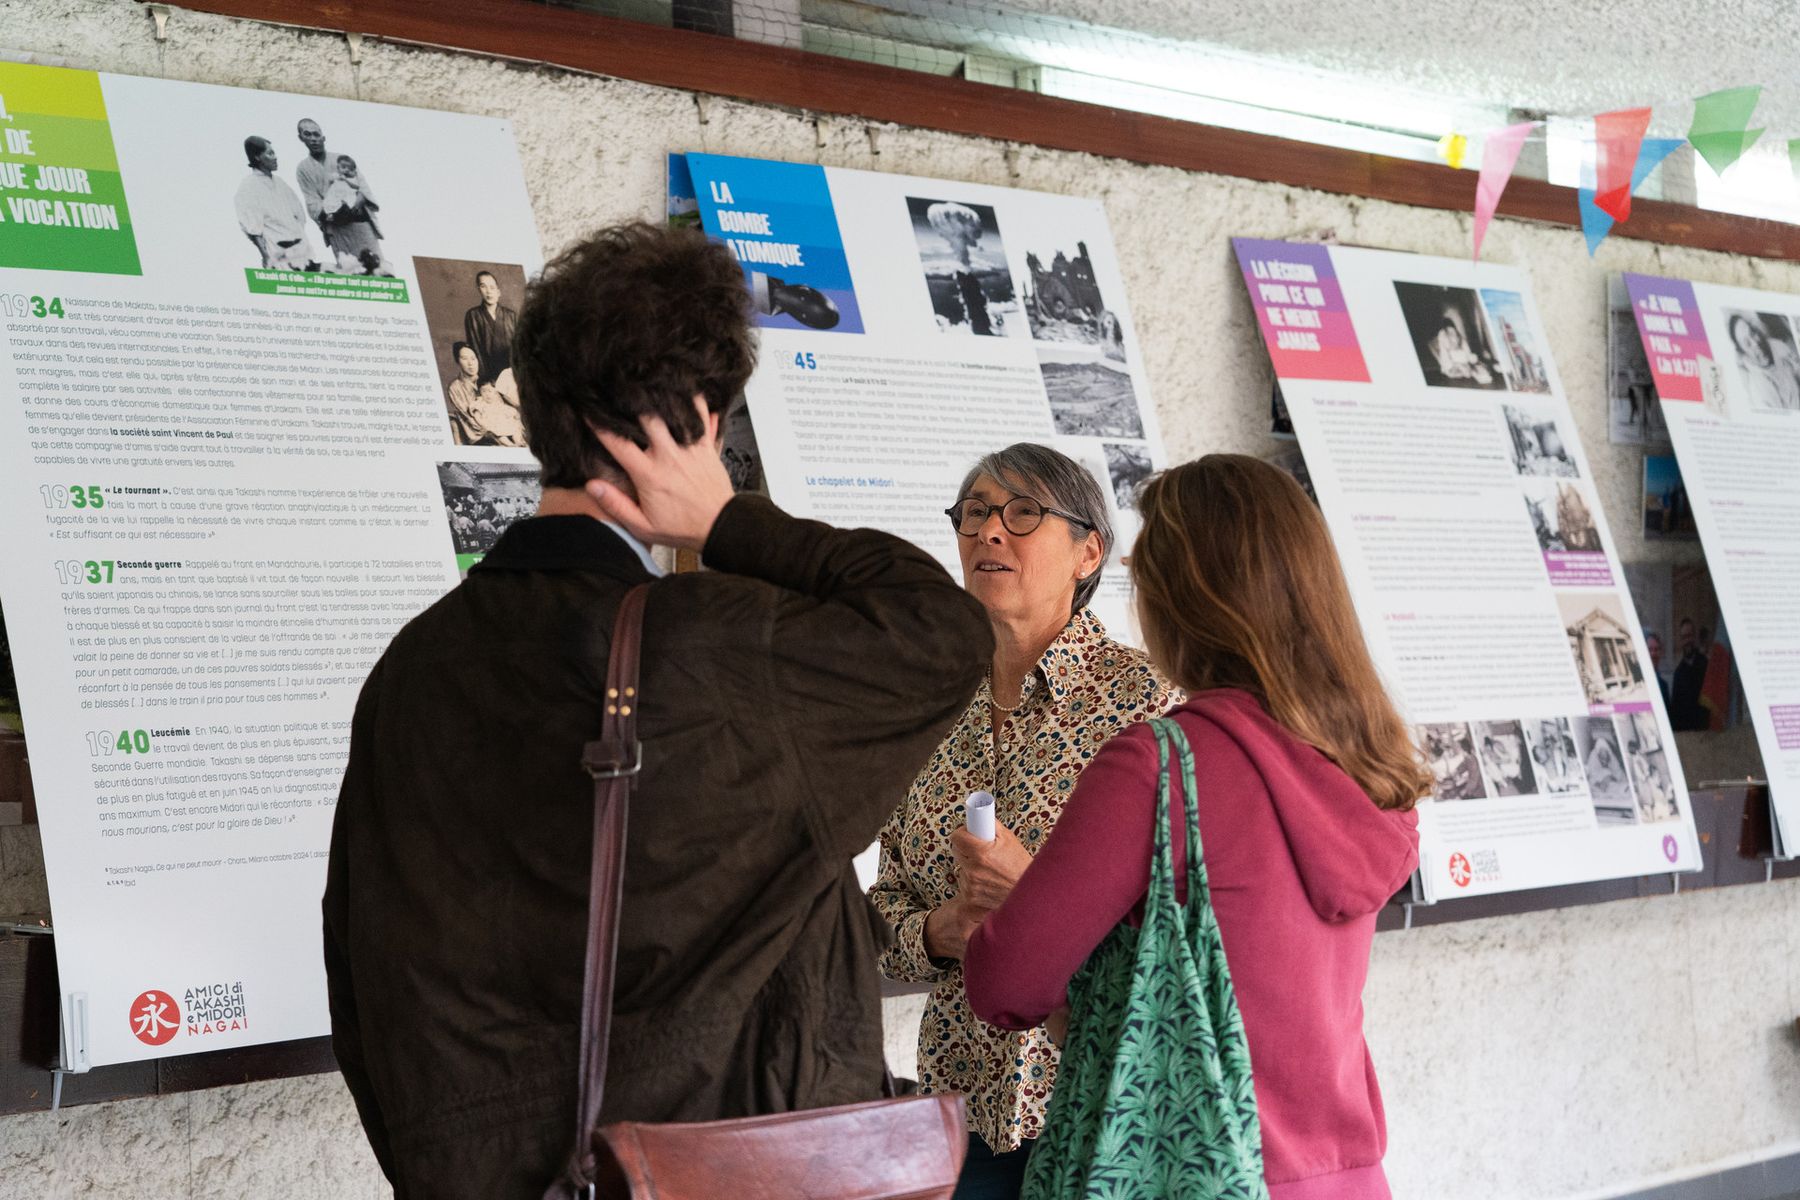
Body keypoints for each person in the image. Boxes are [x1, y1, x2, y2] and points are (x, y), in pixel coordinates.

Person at [323, 221, 993, 1198]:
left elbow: (368, 983)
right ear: (696, 425)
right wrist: (726, 521)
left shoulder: (412, 671)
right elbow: (943, 628)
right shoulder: (734, 650)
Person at [963, 453, 1425, 1200]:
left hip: (1189, 1172)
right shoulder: (1368, 758)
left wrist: (1011, 899)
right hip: (1343, 1176)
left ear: (1185, 602)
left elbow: (1006, 982)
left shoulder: (1160, 767)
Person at [870, 443, 1175, 1199]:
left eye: (1023, 514)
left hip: (1101, 1107)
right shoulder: (932, 707)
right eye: (974, 513)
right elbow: (883, 913)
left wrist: (1031, 896)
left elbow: (1189, 923)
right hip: (961, 1115)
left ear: (1088, 552)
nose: (989, 533)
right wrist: (942, 931)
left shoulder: (1151, 703)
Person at [234, 135, 316, 270]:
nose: (275, 157)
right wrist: (266, 256)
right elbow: (253, 229)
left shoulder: (280, 183)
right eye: (270, 153)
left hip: (302, 252)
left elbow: (299, 216)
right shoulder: (248, 187)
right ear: (257, 157)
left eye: (274, 153)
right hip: (279, 256)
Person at [319, 154, 391, 275]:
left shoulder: (353, 178)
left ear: (353, 170)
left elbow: (360, 189)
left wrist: (346, 180)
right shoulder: (335, 177)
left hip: (354, 212)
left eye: (348, 168)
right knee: (329, 205)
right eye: (342, 167)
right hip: (337, 212)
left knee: (373, 264)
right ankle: (330, 217)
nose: (345, 170)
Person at [444, 341, 525, 446]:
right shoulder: (455, 387)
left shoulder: (487, 381)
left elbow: (500, 406)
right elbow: (468, 417)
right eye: (464, 359)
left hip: (500, 422)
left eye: (473, 358)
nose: (470, 363)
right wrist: (489, 430)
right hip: (480, 430)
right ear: (457, 361)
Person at [1728, 313, 1800, 412]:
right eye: (1747, 343)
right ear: (1743, 353)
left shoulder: (1777, 345)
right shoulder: (1758, 390)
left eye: (1752, 333)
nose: (1755, 343)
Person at [465, 270, 519, 385]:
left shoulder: (511, 315)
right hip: (488, 376)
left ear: (498, 292)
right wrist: (486, 379)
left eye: (492, 287)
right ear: (479, 290)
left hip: (512, 375)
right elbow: (475, 349)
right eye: (483, 286)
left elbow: (519, 347)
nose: (488, 291)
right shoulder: (473, 315)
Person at [294, 118, 337, 256]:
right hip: (334, 226)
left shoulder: (341, 159)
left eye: (316, 134)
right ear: (301, 138)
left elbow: (361, 190)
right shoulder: (303, 168)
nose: (313, 139)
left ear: (323, 138)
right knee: (350, 269)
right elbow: (312, 201)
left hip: (358, 220)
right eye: (308, 134)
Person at [1668, 617, 1709, 731]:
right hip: (1687, 737)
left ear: (1695, 637)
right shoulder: (1678, 674)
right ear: (1680, 640)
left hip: (1706, 733)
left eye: (1690, 635)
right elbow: (1675, 712)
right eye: (1684, 637)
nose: (1687, 640)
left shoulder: (1706, 665)